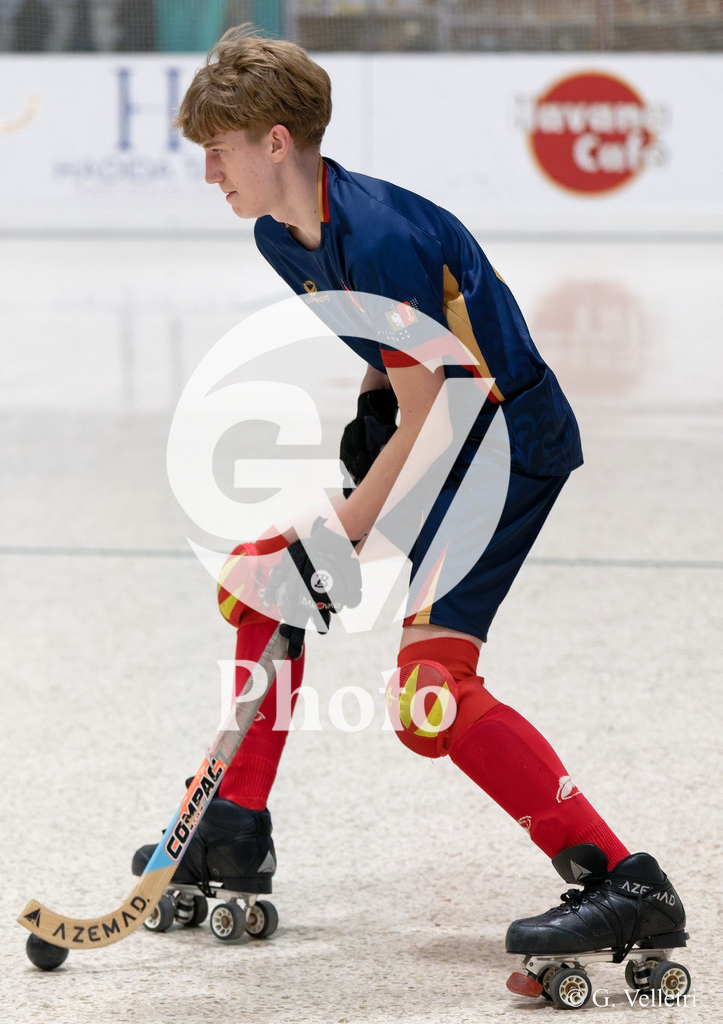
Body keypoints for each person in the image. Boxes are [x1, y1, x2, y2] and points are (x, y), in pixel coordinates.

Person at [133, 26, 687, 976]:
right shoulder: (280, 235)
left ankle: (626, 883)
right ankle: (232, 824)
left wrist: (345, 531)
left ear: (275, 142)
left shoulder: (384, 233)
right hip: (442, 429)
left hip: (508, 446)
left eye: (219, 151)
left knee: (430, 697)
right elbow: (395, 359)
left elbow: (442, 409)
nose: (210, 174)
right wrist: (367, 415)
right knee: (267, 580)